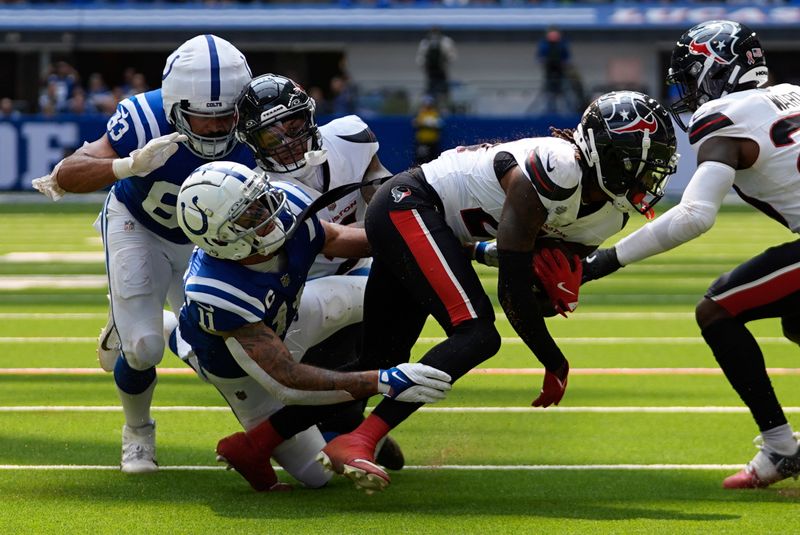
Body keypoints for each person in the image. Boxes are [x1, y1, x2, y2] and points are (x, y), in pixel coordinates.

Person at [318, 90, 679, 492]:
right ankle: (361, 437)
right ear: (606, 154)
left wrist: (558, 290)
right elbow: (511, 288)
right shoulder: (557, 167)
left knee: (381, 358)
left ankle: (263, 439)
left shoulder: (608, 217)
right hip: (411, 204)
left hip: (436, 229)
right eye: (639, 165)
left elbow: (533, 292)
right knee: (477, 333)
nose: (648, 178)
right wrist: (552, 359)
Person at [581, 20, 800, 489]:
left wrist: (602, 262)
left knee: (717, 309)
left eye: (691, 72)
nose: (687, 87)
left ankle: (781, 447)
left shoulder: (724, 116)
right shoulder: (794, 93)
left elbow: (694, 215)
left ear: (715, 68)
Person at [31, 34, 256, 474]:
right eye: (200, 118)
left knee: (224, 356)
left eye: (225, 117)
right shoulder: (142, 116)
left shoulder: (257, 119)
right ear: (174, 106)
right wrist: (128, 165)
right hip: (140, 226)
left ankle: (169, 327)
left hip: (211, 240)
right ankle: (138, 432)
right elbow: (67, 174)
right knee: (142, 348)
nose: (214, 128)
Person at [173, 161, 451, 491]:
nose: (267, 214)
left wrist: (429, 240)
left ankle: (351, 424)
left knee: (396, 288)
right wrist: (383, 381)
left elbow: (333, 236)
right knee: (317, 475)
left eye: (260, 200)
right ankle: (174, 337)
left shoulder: (287, 205)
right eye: (248, 216)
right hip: (240, 365)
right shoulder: (217, 291)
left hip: (288, 315)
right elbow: (287, 382)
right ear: (222, 239)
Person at [232, 73, 405, 470]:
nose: (288, 142)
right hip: (299, 287)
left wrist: (393, 213)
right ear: (253, 143)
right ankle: (347, 429)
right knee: (306, 389)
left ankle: (354, 428)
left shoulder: (351, 136)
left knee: (384, 340)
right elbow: (348, 236)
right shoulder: (258, 191)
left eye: (292, 126)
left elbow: (381, 195)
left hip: (360, 267)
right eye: (271, 137)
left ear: (309, 117)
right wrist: (394, 228)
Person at [416, 26, 457, 109]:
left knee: (440, 90)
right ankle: (432, 106)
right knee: (434, 91)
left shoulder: (429, 42)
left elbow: (420, 60)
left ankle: (444, 106)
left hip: (438, 71)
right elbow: (452, 57)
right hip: (434, 71)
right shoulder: (427, 42)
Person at [536, 26, 572, 115]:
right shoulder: (544, 44)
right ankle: (550, 111)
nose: (553, 36)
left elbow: (567, 57)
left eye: (555, 35)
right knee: (549, 94)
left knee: (565, 92)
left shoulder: (562, 44)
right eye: (551, 35)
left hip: (561, 73)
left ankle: (569, 112)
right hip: (549, 73)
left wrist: (564, 63)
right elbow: (539, 57)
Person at [413, 95, 443, 165]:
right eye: (426, 103)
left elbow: (440, 124)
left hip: (433, 141)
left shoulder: (435, 113)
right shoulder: (420, 113)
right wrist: (425, 123)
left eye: (429, 103)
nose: (427, 105)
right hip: (423, 141)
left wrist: (431, 124)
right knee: (421, 159)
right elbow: (415, 123)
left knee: (433, 159)